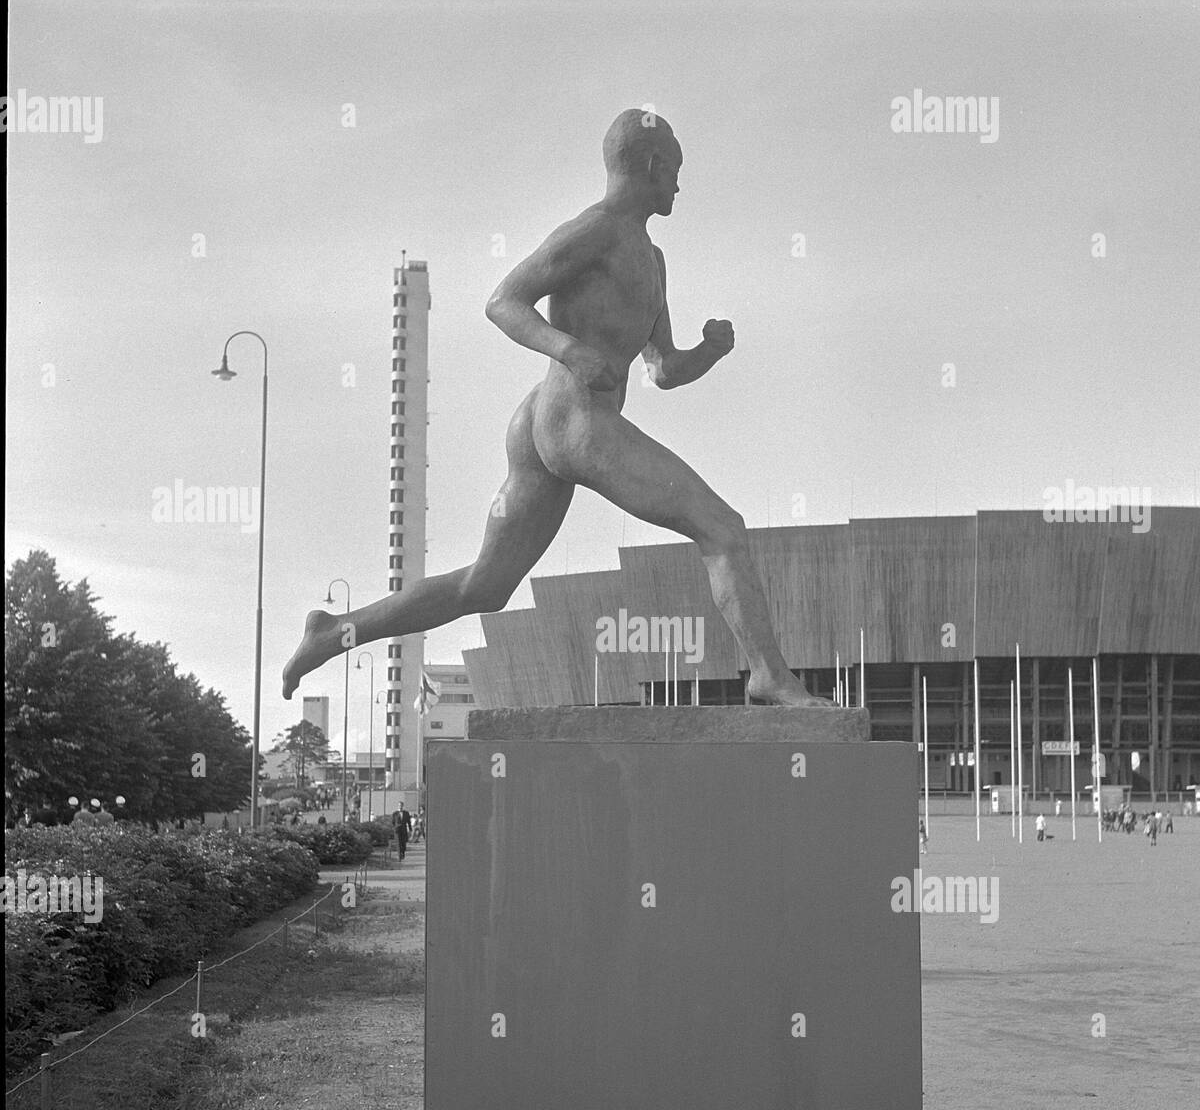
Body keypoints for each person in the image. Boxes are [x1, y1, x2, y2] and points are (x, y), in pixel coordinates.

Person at [282, 110, 831, 710]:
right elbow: (504, 301)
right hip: (574, 420)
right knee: (723, 529)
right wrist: (570, 349)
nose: (679, 185)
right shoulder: (595, 231)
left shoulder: (653, 260)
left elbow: (662, 369)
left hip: (542, 421)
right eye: (675, 171)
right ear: (652, 165)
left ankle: (335, 632)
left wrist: (709, 352)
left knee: (484, 586)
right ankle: (767, 675)